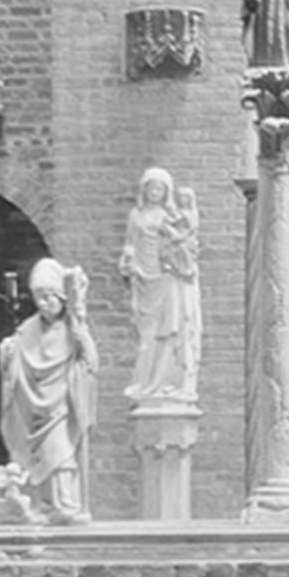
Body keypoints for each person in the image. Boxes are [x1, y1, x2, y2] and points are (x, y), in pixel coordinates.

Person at [0, 257, 101, 524]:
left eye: (49, 297)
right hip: (33, 406)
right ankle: (41, 505)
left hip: (60, 404)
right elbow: (15, 358)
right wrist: (7, 353)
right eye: (39, 299)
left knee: (61, 451)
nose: (44, 304)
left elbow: (90, 361)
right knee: (37, 458)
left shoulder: (72, 327)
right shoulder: (28, 329)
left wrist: (81, 336)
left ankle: (65, 504)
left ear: (61, 297)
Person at [118, 166, 200, 404]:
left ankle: (165, 382)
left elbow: (184, 238)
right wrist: (127, 258)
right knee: (146, 337)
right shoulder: (136, 215)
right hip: (143, 278)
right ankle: (144, 383)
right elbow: (131, 242)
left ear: (167, 192)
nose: (155, 192)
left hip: (166, 276)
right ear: (144, 190)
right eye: (151, 188)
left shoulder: (170, 215)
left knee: (167, 332)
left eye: (160, 188)